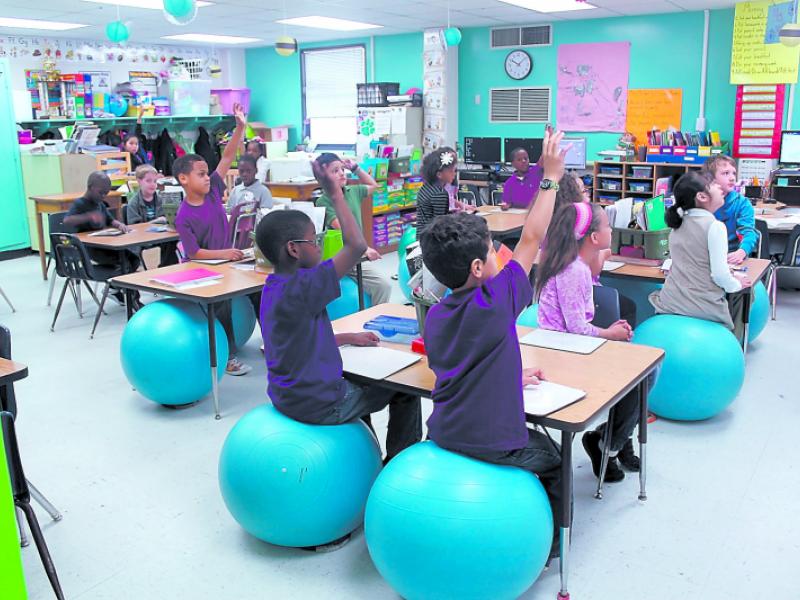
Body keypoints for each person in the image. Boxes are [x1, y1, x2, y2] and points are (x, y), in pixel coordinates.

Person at [420, 130, 566, 558]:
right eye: (492, 250)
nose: (502, 255)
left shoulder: (438, 315)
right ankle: (553, 547)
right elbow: (532, 239)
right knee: (556, 461)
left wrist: (509, 374)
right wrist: (551, 177)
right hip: (492, 442)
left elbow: (466, 364)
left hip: (445, 431)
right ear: (480, 266)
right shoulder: (495, 301)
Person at [256, 159, 422, 479]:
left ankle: (367, 449)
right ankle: (398, 466)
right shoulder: (307, 284)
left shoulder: (273, 287)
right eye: (313, 239)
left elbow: (296, 340)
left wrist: (347, 337)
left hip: (286, 395)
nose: (319, 244)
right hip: (319, 404)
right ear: (293, 249)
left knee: (364, 382)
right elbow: (357, 245)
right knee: (404, 388)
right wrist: (336, 195)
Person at [535, 201, 641, 483]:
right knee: (643, 374)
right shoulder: (574, 270)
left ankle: (614, 440)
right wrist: (610, 334)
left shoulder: (574, 263)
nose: (611, 229)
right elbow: (577, 329)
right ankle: (610, 444)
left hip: (568, 346)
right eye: (607, 225)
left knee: (642, 369)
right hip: (564, 353)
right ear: (593, 237)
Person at [173, 102, 256, 376]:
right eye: (200, 174)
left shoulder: (212, 192)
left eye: (206, 172)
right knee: (220, 308)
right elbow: (194, 253)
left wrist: (240, 127)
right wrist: (225, 254)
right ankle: (228, 357)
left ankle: (276, 341)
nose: (207, 177)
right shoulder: (183, 216)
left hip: (226, 261)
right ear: (183, 179)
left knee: (260, 290)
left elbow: (227, 156)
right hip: (204, 269)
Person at [649, 171, 751, 340]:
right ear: (702, 197)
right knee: (744, 292)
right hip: (701, 308)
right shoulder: (715, 226)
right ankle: (737, 344)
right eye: (714, 184)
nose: (720, 186)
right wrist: (736, 284)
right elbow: (719, 275)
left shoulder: (677, 225)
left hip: (670, 302)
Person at [314, 152, 392, 305]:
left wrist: (356, 168)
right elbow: (342, 229)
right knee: (383, 286)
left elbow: (374, 186)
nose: (342, 173)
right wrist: (364, 249)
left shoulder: (353, 191)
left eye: (342, 169)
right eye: (335, 171)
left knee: (383, 285)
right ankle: (376, 320)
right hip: (345, 257)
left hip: (357, 255)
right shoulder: (323, 201)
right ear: (323, 178)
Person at [64, 171, 141, 309]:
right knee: (125, 264)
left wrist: (119, 225)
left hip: (105, 246)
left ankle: (114, 288)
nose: (104, 196)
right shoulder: (80, 204)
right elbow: (67, 220)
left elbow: (110, 219)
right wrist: (88, 217)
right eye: (101, 192)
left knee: (134, 259)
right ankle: (133, 300)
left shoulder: (99, 203)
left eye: (106, 193)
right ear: (91, 187)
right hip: (90, 251)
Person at [704, 154, 757, 265]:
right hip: (704, 255)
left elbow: (748, 232)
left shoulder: (742, 203)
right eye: (726, 173)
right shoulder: (701, 200)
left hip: (731, 255)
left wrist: (742, 252)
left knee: (752, 282)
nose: (732, 178)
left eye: (734, 173)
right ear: (710, 178)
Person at [126, 164, 179, 268]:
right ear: (139, 181)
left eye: (155, 181)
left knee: (173, 241)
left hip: (161, 238)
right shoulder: (133, 203)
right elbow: (134, 228)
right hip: (143, 240)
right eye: (148, 181)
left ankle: (168, 268)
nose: (153, 184)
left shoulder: (161, 199)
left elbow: (170, 218)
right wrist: (153, 222)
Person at [121, 106, 150, 171]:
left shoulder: (138, 153)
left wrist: (140, 115)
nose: (134, 146)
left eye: (136, 144)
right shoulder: (124, 157)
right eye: (131, 143)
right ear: (124, 145)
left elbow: (138, 130)